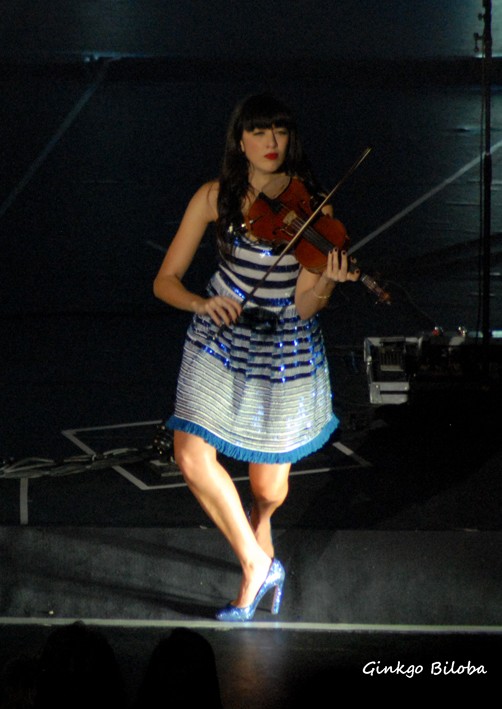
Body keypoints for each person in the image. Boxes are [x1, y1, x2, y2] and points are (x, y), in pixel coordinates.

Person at [153, 93, 359, 621]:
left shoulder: (314, 209)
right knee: (190, 455)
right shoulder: (214, 197)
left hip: (282, 349)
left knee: (268, 488)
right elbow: (165, 280)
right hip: (220, 338)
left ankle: (257, 523)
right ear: (239, 141)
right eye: (259, 131)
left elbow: (305, 305)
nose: (271, 142)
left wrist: (327, 283)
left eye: (280, 132)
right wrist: (202, 303)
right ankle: (256, 564)